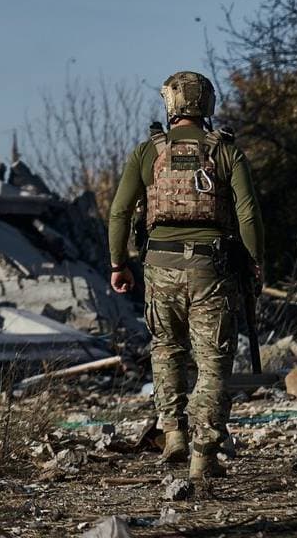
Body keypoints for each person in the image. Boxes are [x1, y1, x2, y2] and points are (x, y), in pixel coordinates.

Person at [107, 71, 264, 480]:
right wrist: (254, 262)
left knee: (166, 349)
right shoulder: (227, 151)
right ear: (208, 105)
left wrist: (117, 264)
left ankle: (173, 431)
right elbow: (248, 213)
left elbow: (120, 211)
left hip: (159, 267)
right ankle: (203, 455)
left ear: (171, 105)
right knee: (213, 363)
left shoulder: (147, 151)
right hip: (211, 269)